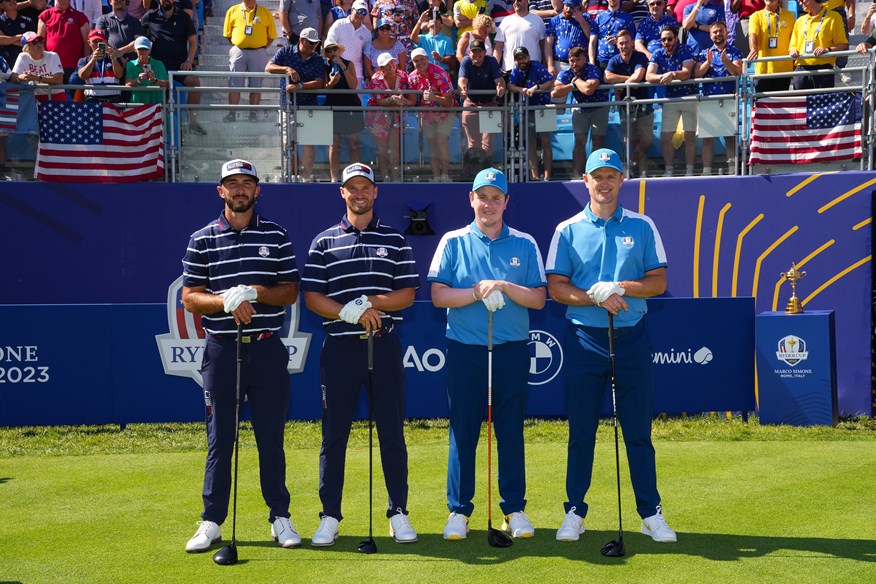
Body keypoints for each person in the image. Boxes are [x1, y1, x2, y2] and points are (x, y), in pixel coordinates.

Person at [545, 147, 676, 546]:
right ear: (585, 181)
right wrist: (595, 297)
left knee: (638, 430)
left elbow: (658, 282)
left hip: (632, 337)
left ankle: (650, 513)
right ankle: (574, 511)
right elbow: (556, 288)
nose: (604, 183)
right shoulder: (566, 230)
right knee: (581, 430)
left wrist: (619, 287)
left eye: (611, 176)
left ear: (622, 180)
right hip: (585, 339)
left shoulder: (642, 225)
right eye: (596, 176)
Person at [181, 158, 302, 554]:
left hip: (266, 347)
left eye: (246, 183)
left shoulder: (277, 235)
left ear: (257, 190)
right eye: (231, 184)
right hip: (221, 351)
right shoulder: (202, 238)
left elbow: (289, 290)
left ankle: (279, 517)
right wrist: (222, 301)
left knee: (271, 437)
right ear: (221, 191)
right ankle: (212, 520)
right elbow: (189, 296)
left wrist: (254, 292)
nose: (239, 190)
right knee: (220, 440)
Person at [302, 162, 419, 548]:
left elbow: (406, 294)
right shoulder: (323, 242)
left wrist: (367, 302)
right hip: (339, 350)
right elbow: (314, 297)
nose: (359, 193)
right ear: (343, 193)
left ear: (375, 192)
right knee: (334, 435)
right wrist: (347, 312)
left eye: (365, 187)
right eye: (351, 188)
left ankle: (398, 512)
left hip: (383, 345)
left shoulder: (396, 240)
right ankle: (330, 516)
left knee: (391, 432)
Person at [428, 167, 546, 541]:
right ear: (472, 200)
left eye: (497, 197)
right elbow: (439, 296)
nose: (489, 204)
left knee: (510, 430)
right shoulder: (453, 241)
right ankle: (459, 511)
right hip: (466, 349)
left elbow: (539, 299)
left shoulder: (525, 243)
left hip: (510, 349)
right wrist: (476, 292)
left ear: (506, 202)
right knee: (463, 430)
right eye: (483, 196)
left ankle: (514, 507)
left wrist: (506, 286)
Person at [266, 27, 327, 181]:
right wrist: (287, 69)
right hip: (288, 105)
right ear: (302, 40)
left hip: (310, 105)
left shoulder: (318, 58)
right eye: (311, 43)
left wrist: (300, 86)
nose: (314, 46)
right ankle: (293, 175)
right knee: (288, 142)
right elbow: (269, 67)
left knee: (309, 144)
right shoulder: (285, 52)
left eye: (316, 43)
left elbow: (320, 82)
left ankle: (305, 177)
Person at [141, 0, 207, 134]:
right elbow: (138, 36)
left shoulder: (184, 17)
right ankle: (160, 130)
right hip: (158, 67)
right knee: (163, 95)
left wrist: (189, 60)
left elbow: (193, 43)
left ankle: (193, 120)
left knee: (195, 82)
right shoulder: (150, 16)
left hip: (179, 66)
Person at [645, 24, 697, 176]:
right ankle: (669, 171)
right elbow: (649, 76)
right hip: (670, 98)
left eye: (669, 39)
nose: (666, 42)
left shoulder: (686, 49)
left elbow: (687, 73)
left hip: (689, 96)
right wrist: (662, 76)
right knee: (666, 136)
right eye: (663, 39)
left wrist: (672, 74)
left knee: (689, 136)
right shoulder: (657, 53)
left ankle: (690, 171)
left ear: (676, 38)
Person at [551, 45, 609, 176]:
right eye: (571, 60)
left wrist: (576, 80)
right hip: (581, 108)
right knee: (579, 141)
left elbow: (588, 89)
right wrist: (572, 85)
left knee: (598, 141)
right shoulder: (566, 72)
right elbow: (555, 92)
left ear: (585, 59)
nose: (574, 63)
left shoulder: (593, 69)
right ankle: (577, 175)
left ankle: (596, 174)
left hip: (599, 106)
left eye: (578, 59)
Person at [604, 29, 653, 176]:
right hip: (626, 108)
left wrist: (621, 85)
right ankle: (641, 172)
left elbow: (639, 76)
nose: (624, 46)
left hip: (644, 105)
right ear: (617, 45)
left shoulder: (640, 57)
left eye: (626, 42)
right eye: (621, 43)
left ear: (632, 43)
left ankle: (628, 163)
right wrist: (629, 80)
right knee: (631, 141)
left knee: (645, 140)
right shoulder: (614, 60)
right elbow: (607, 77)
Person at [695, 20, 741, 175]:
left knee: (730, 137)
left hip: (729, 98)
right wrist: (707, 62)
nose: (718, 34)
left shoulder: (734, 51)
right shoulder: (703, 53)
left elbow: (737, 72)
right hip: (709, 99)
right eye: (715, 32)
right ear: (710, 35)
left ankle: (732, 169)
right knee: (708, 138)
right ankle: (707, 170)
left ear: (726, 32)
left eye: (721, 31)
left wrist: (725, 61)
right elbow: (697, 73)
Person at [365, 52, 415, 182]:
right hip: (377, 117)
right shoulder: (375, 79)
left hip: (396, 115)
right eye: (386, 65)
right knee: (382, 149)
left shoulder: (404, 76)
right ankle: (386, 177)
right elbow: (379, 101)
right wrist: (392, 99)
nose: (390, 66)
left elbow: (411, 97)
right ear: (380, 68)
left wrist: (404, 101)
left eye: (392, 62)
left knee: (395, 149)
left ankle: (396, 177)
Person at [223, 0, 276, 123]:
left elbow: (271, 36)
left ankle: (253, 114)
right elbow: (227, 34)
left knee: (256, 85)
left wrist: (260, 46)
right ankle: (232, 114)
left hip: (258, 52)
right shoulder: (232, 10)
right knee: (234, 84)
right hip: (238, 51)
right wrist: (240, 43)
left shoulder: (265, 12)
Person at [507, 45, 554, 180]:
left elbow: (549, 82)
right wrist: (520, 90)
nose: (521, 61)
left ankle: (547, 176)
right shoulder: (516, 70)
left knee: (546, 142)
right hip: (527, 110)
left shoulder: (537, 66)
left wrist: (536, 87)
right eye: (518, 59)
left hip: (544, 107)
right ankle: (534, 176)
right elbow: (510, 85)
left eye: (523, 58)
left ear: (528, 57)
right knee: (530, 143)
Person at [409, 46, 455, 181]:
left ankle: (445, 175)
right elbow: (412, 100)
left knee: (441, 140)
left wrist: (434, 98)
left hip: (445, 111)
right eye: (416, 61)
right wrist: (402, 100)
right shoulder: (412, 78)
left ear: (428, 59)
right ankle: (436, 176)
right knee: (431, 143)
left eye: (422, 59)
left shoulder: (440, 73)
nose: (419, 63)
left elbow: (450, 103)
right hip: (427, 113)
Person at [322, 39, 364, 183]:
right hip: (333, 106)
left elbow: (353, 85)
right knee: (334, 144)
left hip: (350, 105)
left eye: (334, 49)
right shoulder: (324, 66)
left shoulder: (348, 63)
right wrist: (332, 83)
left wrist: (342, 66)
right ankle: (334, 177)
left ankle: (356, 176)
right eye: (329, 50)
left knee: (354, 143)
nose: (332, 53)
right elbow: (324, 87)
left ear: (339, 50)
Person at [459, 38, 506, 158]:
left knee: (488, 142)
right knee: (473, 143)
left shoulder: (491, 61)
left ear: (485, 52)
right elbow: (462, 81)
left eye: (480, 51)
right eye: (474, 51)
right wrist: (463, 89)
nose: (477, 54)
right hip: (471, 103)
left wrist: (500, 88)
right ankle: (473, 172)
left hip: (490, 103)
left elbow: (500, 81)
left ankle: (486, 172)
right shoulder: (466, 61)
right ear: (469, 53)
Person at [788, 0, 847, 90]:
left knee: (822, 103)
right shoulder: (800, 21)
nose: (800, 3)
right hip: (801, 69)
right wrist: (793, 51)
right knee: (801, 103)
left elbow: (843, 45)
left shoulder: (833, 17)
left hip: (823, 69)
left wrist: (827, 49)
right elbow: (792, 46)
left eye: (802, 0)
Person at [325, 0, 372, 97]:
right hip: (337, 70)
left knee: (357, 107)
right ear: (352, 10)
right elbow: (329, 42)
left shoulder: (367, 33)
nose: (361, 15)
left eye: (364, 12)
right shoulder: (339, 24)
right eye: (358, 11)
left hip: (357, 74)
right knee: (338, 104)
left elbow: (367, 56)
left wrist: (367, 76)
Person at [745, 0, 794, 93]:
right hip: (763, 70)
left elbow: (794, 39)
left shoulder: (789, 15)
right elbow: (752, 35)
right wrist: (753, 49)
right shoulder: (756, 16)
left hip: (784, 69)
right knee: (763, 104)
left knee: (780, 104)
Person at [37, 0, 89, 83]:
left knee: (74, 95)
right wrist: (43, 64)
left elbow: (87, 43)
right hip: (51, 66)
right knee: (53, 95)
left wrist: (85, 65)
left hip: (74, 67)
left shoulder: (81, 17)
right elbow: (40, 41)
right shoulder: (45, 15)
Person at [545, 0, 595, 77]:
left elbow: (591, 38)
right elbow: (548, 45)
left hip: (580, 64)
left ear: (578, 7)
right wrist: (550, 65)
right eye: (566, 6)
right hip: (560, 63)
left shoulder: (586, 17)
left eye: (571, 7)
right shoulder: (555, 20)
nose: (568, 9)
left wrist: (581, 21)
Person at [12, 31, 65, 101]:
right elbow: (12, 77)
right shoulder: (23, 56)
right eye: (34, 42)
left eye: (40, 41)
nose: (39, 44)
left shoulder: (53, 55)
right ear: (27, 47)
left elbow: (59, 79)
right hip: (34, 97)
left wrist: (36, 78)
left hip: (56, 96)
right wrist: (22, 77)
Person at [494, 0, 547, 71]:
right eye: (513, 1)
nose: (516, 2)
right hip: (510, 69)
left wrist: (544, 64)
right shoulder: (505, 21)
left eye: (519, 0)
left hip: (534, 70)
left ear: (526, 1)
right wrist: (495, 67)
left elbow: (543, 45)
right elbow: (498, 46)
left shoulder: (538, 20)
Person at [76, 29, 126, 102]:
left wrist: (113, 58)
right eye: (95, 41)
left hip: (113, 101)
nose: (97, 44)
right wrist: (93, 60)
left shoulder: (114, 58)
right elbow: (82, 76)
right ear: (89, 43)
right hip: (93, 101)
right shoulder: (84, 60)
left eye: (100, 42)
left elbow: (119, 75)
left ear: (105, 42)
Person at [124, 34, 169, 103]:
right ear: (135, 50)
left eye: (145, 49)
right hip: (137, 107)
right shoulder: (131, 64)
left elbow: (166, 84)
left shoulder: (159, 64)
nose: (143, 51)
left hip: (156, 106)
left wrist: (154, 80)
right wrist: (139, 80)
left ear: (150, 50)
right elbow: (127, 84)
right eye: (140, 49)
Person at [594, 0, 636, 68]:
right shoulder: (599, 17)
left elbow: (632, 42)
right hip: (601, 61)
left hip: (620, 61)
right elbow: (592, 42)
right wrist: (592, 63)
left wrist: (617, 43)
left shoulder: (628, 18)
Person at [0, 0, 37, 71]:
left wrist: (7, 40)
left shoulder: (28, 21)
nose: (12, 1)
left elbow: (33, 43)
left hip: (26, 63)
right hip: (5, 65)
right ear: (1, 5)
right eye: (8, 0)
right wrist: (21, 36)